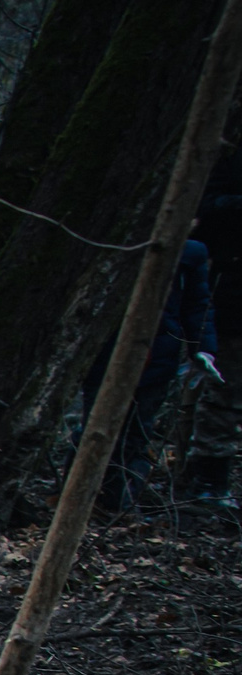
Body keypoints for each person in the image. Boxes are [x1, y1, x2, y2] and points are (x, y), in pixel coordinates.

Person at [87, 237, 217, 512]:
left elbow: (197, 304)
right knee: (93, 426)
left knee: (138, 430)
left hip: (157, 355)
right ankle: (86, 499)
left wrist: (203, 350)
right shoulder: (117, 238)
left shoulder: (189, 251)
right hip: (105, 351)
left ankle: (121, 505)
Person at [184, 149, 242, 511]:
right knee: (225, 389)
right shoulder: (231, 163)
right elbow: (203, 209)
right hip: (234, 297)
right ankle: (209, 481)